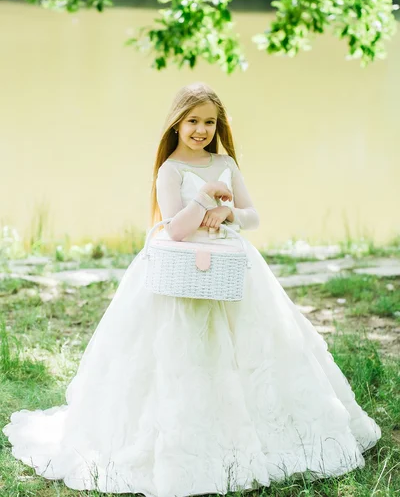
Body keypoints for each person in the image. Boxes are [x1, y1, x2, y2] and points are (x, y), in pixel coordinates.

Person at [3, 82, 381, 497]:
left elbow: (253, 216)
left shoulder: (225, 164)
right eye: (193, 121)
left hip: (232, 269)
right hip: (180, 275)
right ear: (177, 123)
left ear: (219, 126)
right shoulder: (170, 170)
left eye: (209, 122)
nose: (201, 129)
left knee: (252, 351)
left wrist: (228, 211)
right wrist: (202, 199)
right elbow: (177, 230)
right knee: (181, 355)